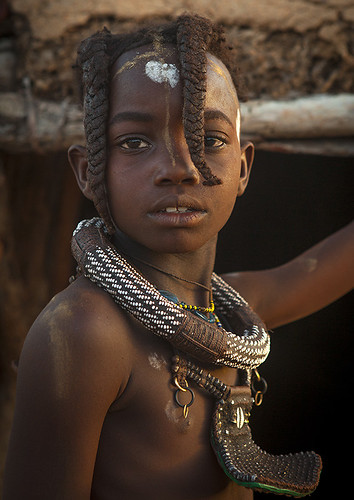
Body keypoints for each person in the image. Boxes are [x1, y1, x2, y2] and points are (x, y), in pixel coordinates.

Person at [3, 14, 353, 500]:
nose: (179, 168)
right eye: (134, 142)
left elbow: (323, 267)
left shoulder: (232, 311)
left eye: (209, 140)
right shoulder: (82, 332)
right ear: (88, 172)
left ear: (245, 167)